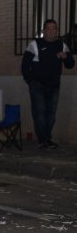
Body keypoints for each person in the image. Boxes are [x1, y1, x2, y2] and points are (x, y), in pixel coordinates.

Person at [21, 19, 74, 149]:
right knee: (39, 113)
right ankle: (43, 140)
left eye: (54, 28)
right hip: (37, 85)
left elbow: (70, 64)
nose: (51, 31)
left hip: (54, 86)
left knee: (51, 115)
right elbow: (25, 65)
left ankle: (46, 140)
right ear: (43, 31)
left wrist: (66, 57)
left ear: (57, 31)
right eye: (48, 28)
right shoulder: (35, 44)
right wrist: (31, 82)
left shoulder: (62, 45)